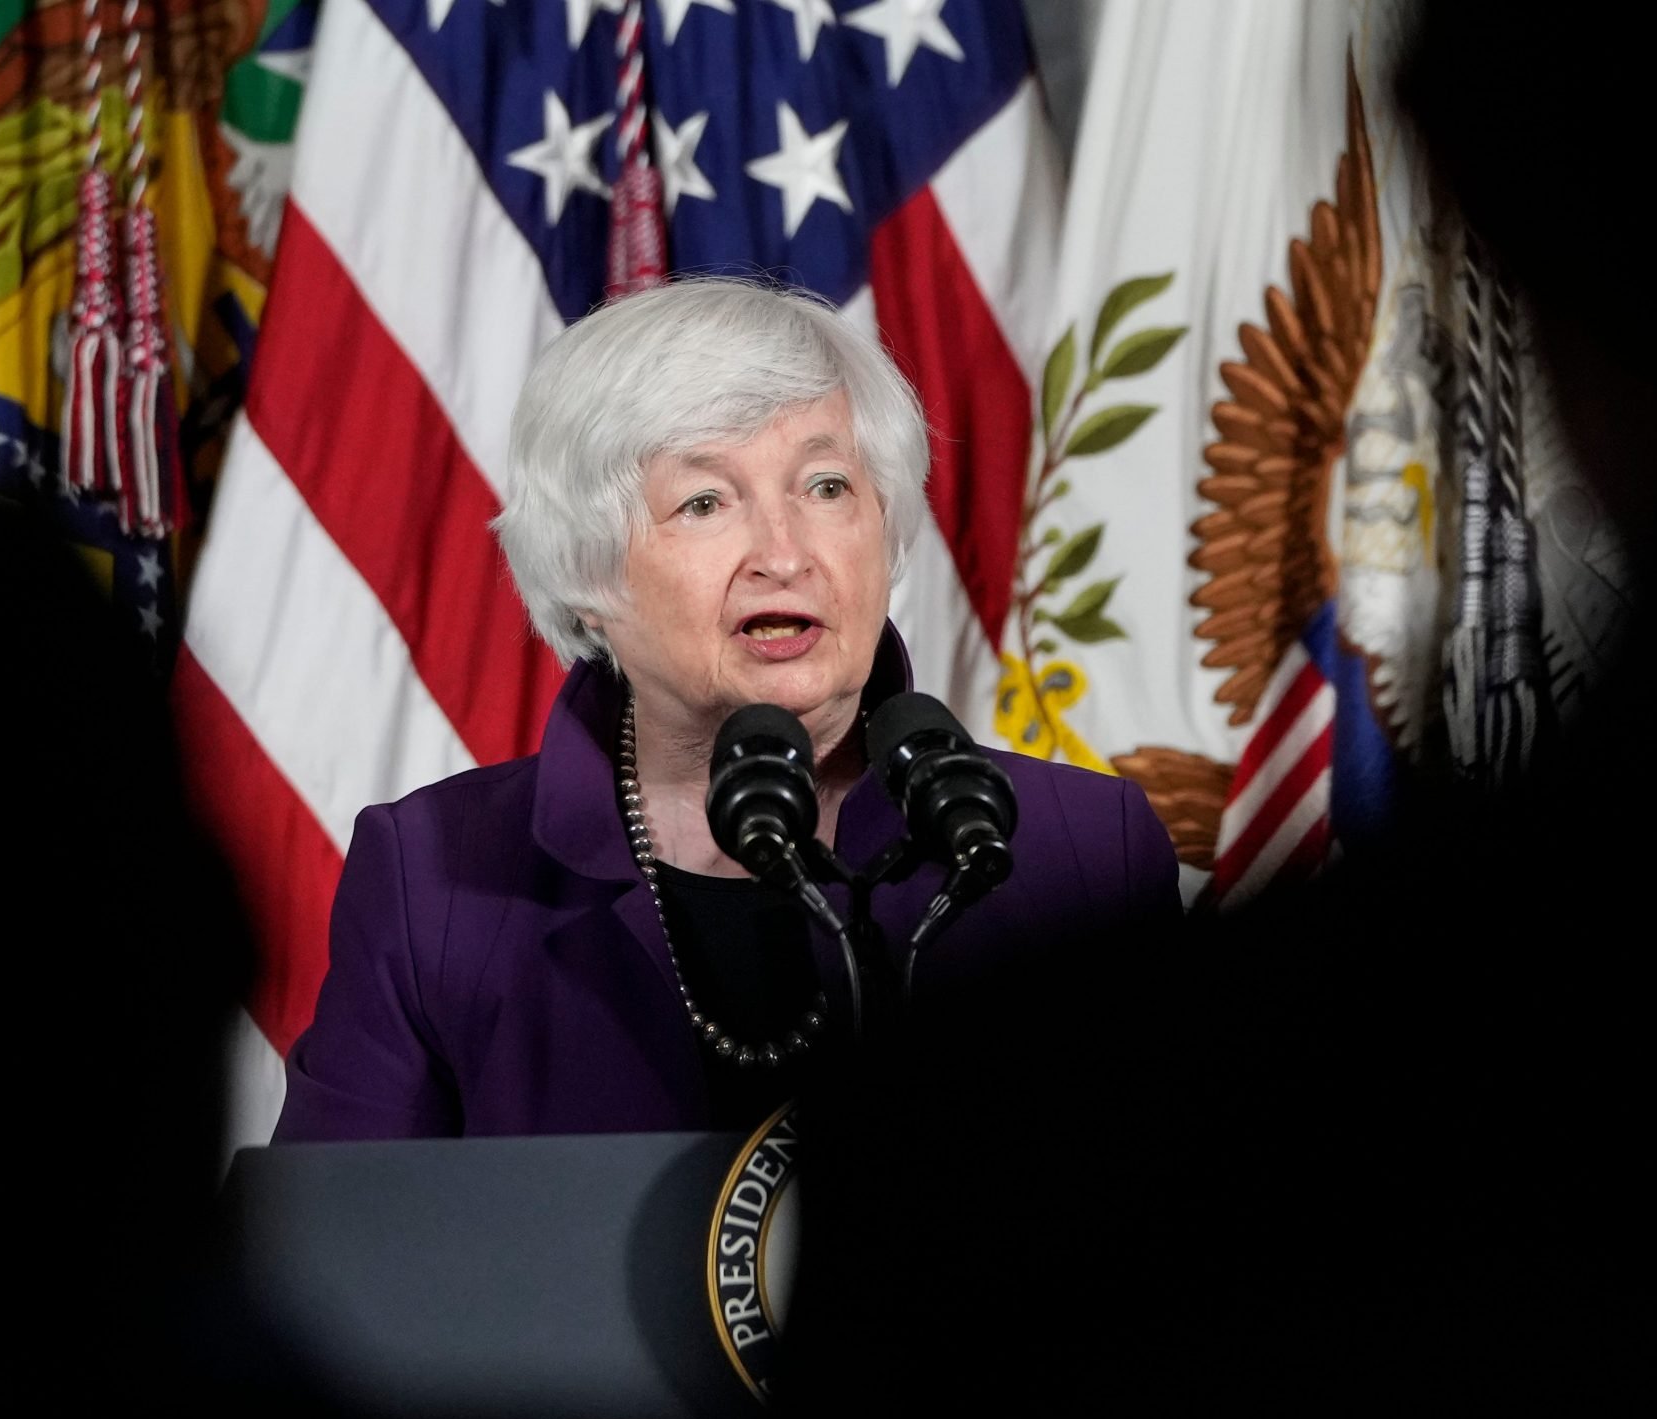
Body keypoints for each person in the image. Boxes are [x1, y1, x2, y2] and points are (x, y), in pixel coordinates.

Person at [275, 277, 1180, 1143]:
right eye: (705, 501)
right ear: (588, 577)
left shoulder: (1086, 854)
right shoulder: (436, 882)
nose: (784, 554)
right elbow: (338, 1261)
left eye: (827, 487)